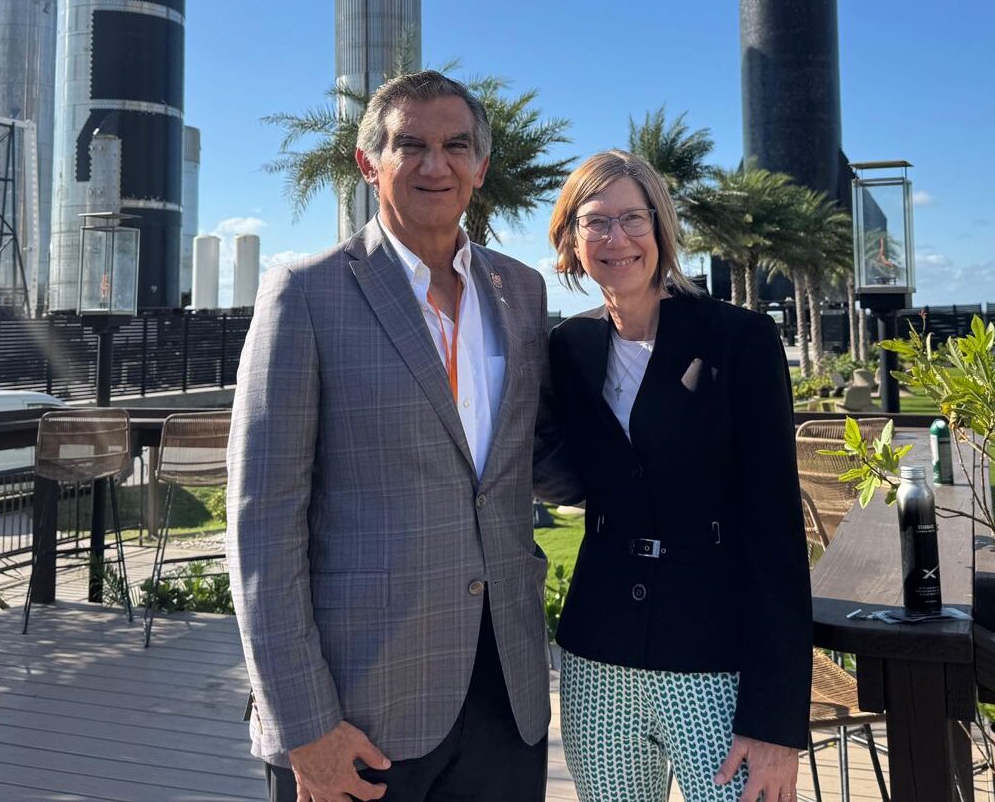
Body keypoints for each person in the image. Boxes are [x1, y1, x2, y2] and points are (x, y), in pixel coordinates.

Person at [228, 70, 563, 802]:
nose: (435, 164)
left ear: (480, 165)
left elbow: (530, 457)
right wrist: (304, 727)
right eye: (410, 144)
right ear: (368, 162)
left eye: (456, 146)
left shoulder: (520, 291)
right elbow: (262, 528)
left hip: (507, 699)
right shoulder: (305, 294)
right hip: (357, 715)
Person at [543, 150, 811, 802]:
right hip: (598, 657)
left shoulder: (738, 339)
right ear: (572, 240)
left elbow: (777, 530)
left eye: (633, 218)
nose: (616, 238)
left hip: (715, 660)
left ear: (660, 228)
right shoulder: (567, 348)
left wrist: (776, 722)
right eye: (595, 221)